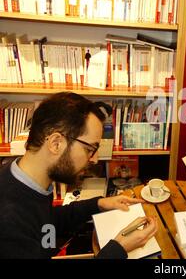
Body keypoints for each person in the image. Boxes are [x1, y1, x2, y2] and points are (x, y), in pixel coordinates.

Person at [0, 92, 158, 258]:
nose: (95, 159)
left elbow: (46, 222)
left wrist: (98, 204)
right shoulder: (8, 224)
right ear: (55, 143)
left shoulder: (22, 178)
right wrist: (119, 249)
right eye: (89, 149)